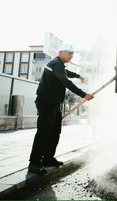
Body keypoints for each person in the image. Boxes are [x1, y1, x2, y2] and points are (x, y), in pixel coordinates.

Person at [28, 43, 94, 174]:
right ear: (61, 52)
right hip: (46, 103)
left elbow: (65, 73)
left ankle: (47, 158)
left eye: (72, 53)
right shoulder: (56, 63)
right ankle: (34, 163)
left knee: (55, 131)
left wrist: (77, 75)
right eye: (70, 53)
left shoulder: (57, 64)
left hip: (53, 103)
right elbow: (66, 81)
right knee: (44, 132)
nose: (72, 56)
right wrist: (84, 95)